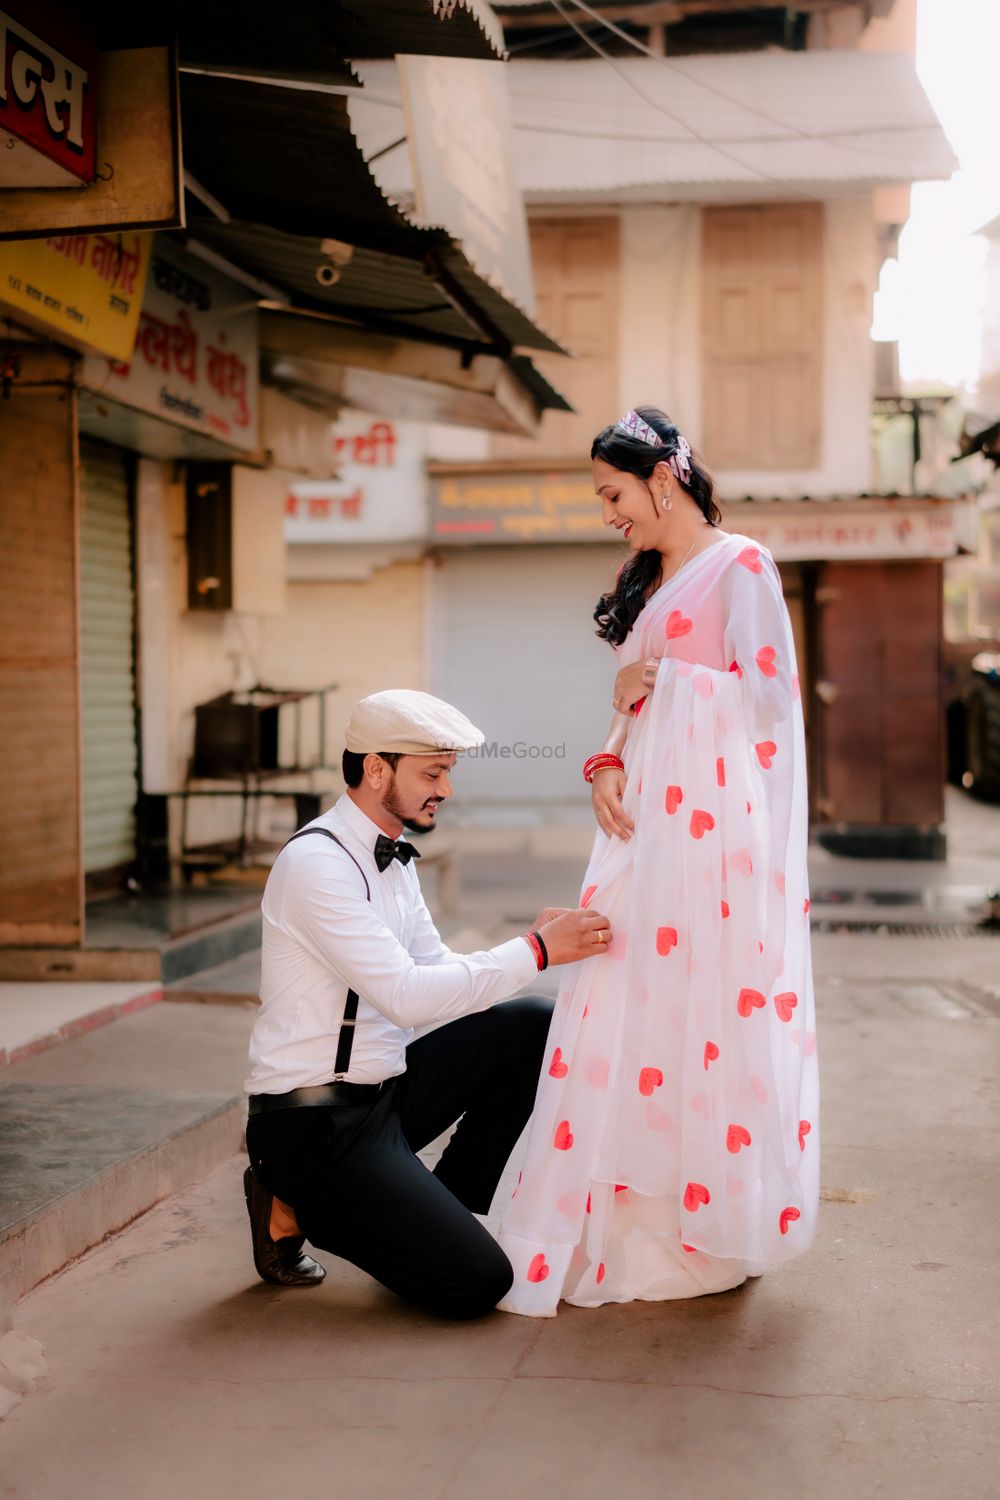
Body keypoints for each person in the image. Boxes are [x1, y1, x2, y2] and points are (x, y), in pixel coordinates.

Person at [497, 407, 819, 1316]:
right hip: (638, 841)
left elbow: (768, 713)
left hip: (710, 855)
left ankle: (699, 1222)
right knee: (616, 1011)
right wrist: (604, 757)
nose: (609, 513)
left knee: (697, 1022)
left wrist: (670, 685)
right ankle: (616, 1216)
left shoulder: (740, 567)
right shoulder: (643, 578)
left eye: (612, 493)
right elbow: (628, 712)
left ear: (661, 478)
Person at [243, 688, 611, 1319]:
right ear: (376, 768)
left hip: (385, 1095)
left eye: (448, 773)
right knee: (477, 1284)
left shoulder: (395, 860)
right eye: (432, 773)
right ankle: (290, 1203)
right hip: (314, 1124)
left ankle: (446, 1205)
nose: (445, 789)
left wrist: (531, 942)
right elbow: (408, 997)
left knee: (531, 1025)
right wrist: (537, 951)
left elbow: (437, 975)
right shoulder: (316, 864)